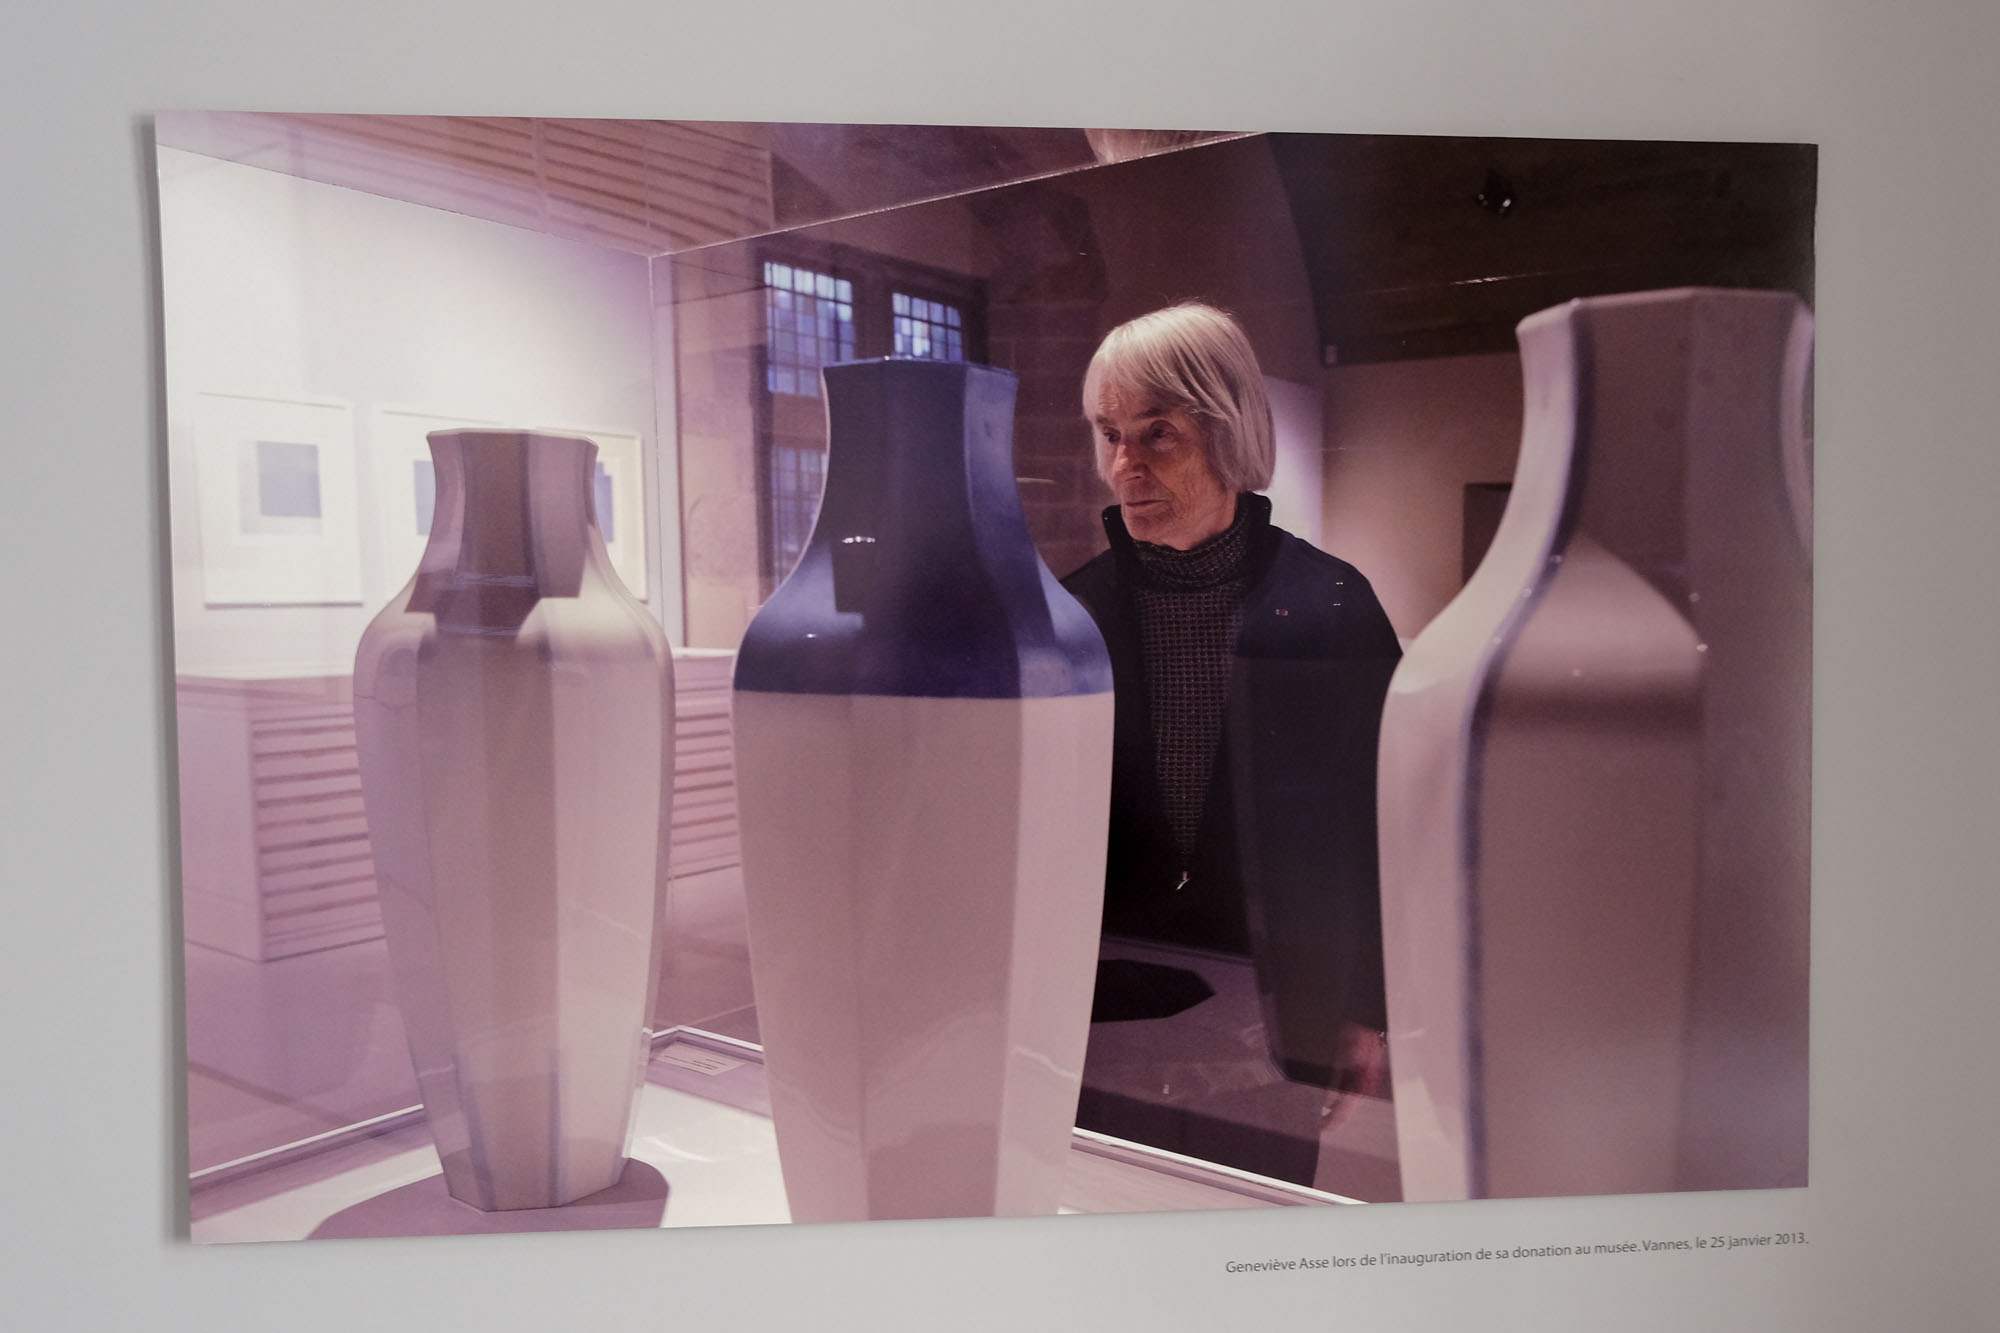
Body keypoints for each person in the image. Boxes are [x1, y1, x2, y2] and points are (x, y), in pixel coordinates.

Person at [1060, 302, 1403, 1117]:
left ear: (1227, 430)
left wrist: (1370, 1008)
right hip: (1101, 1011)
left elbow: (1388, 825)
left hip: (1285, 1015)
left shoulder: (1331, 605)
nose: (1124, 466)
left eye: (1157, 433)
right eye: (1110, 434)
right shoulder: (1070, 614)